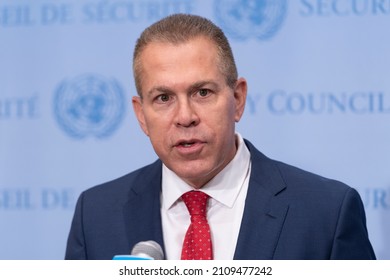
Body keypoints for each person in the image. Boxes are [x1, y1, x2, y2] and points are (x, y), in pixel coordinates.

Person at [65, 14, 376, 260]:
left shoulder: (326, 212)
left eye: (202, 92)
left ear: (238, 99)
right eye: (163, 98)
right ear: (141, 115)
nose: (185, 116)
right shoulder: (95, 216)